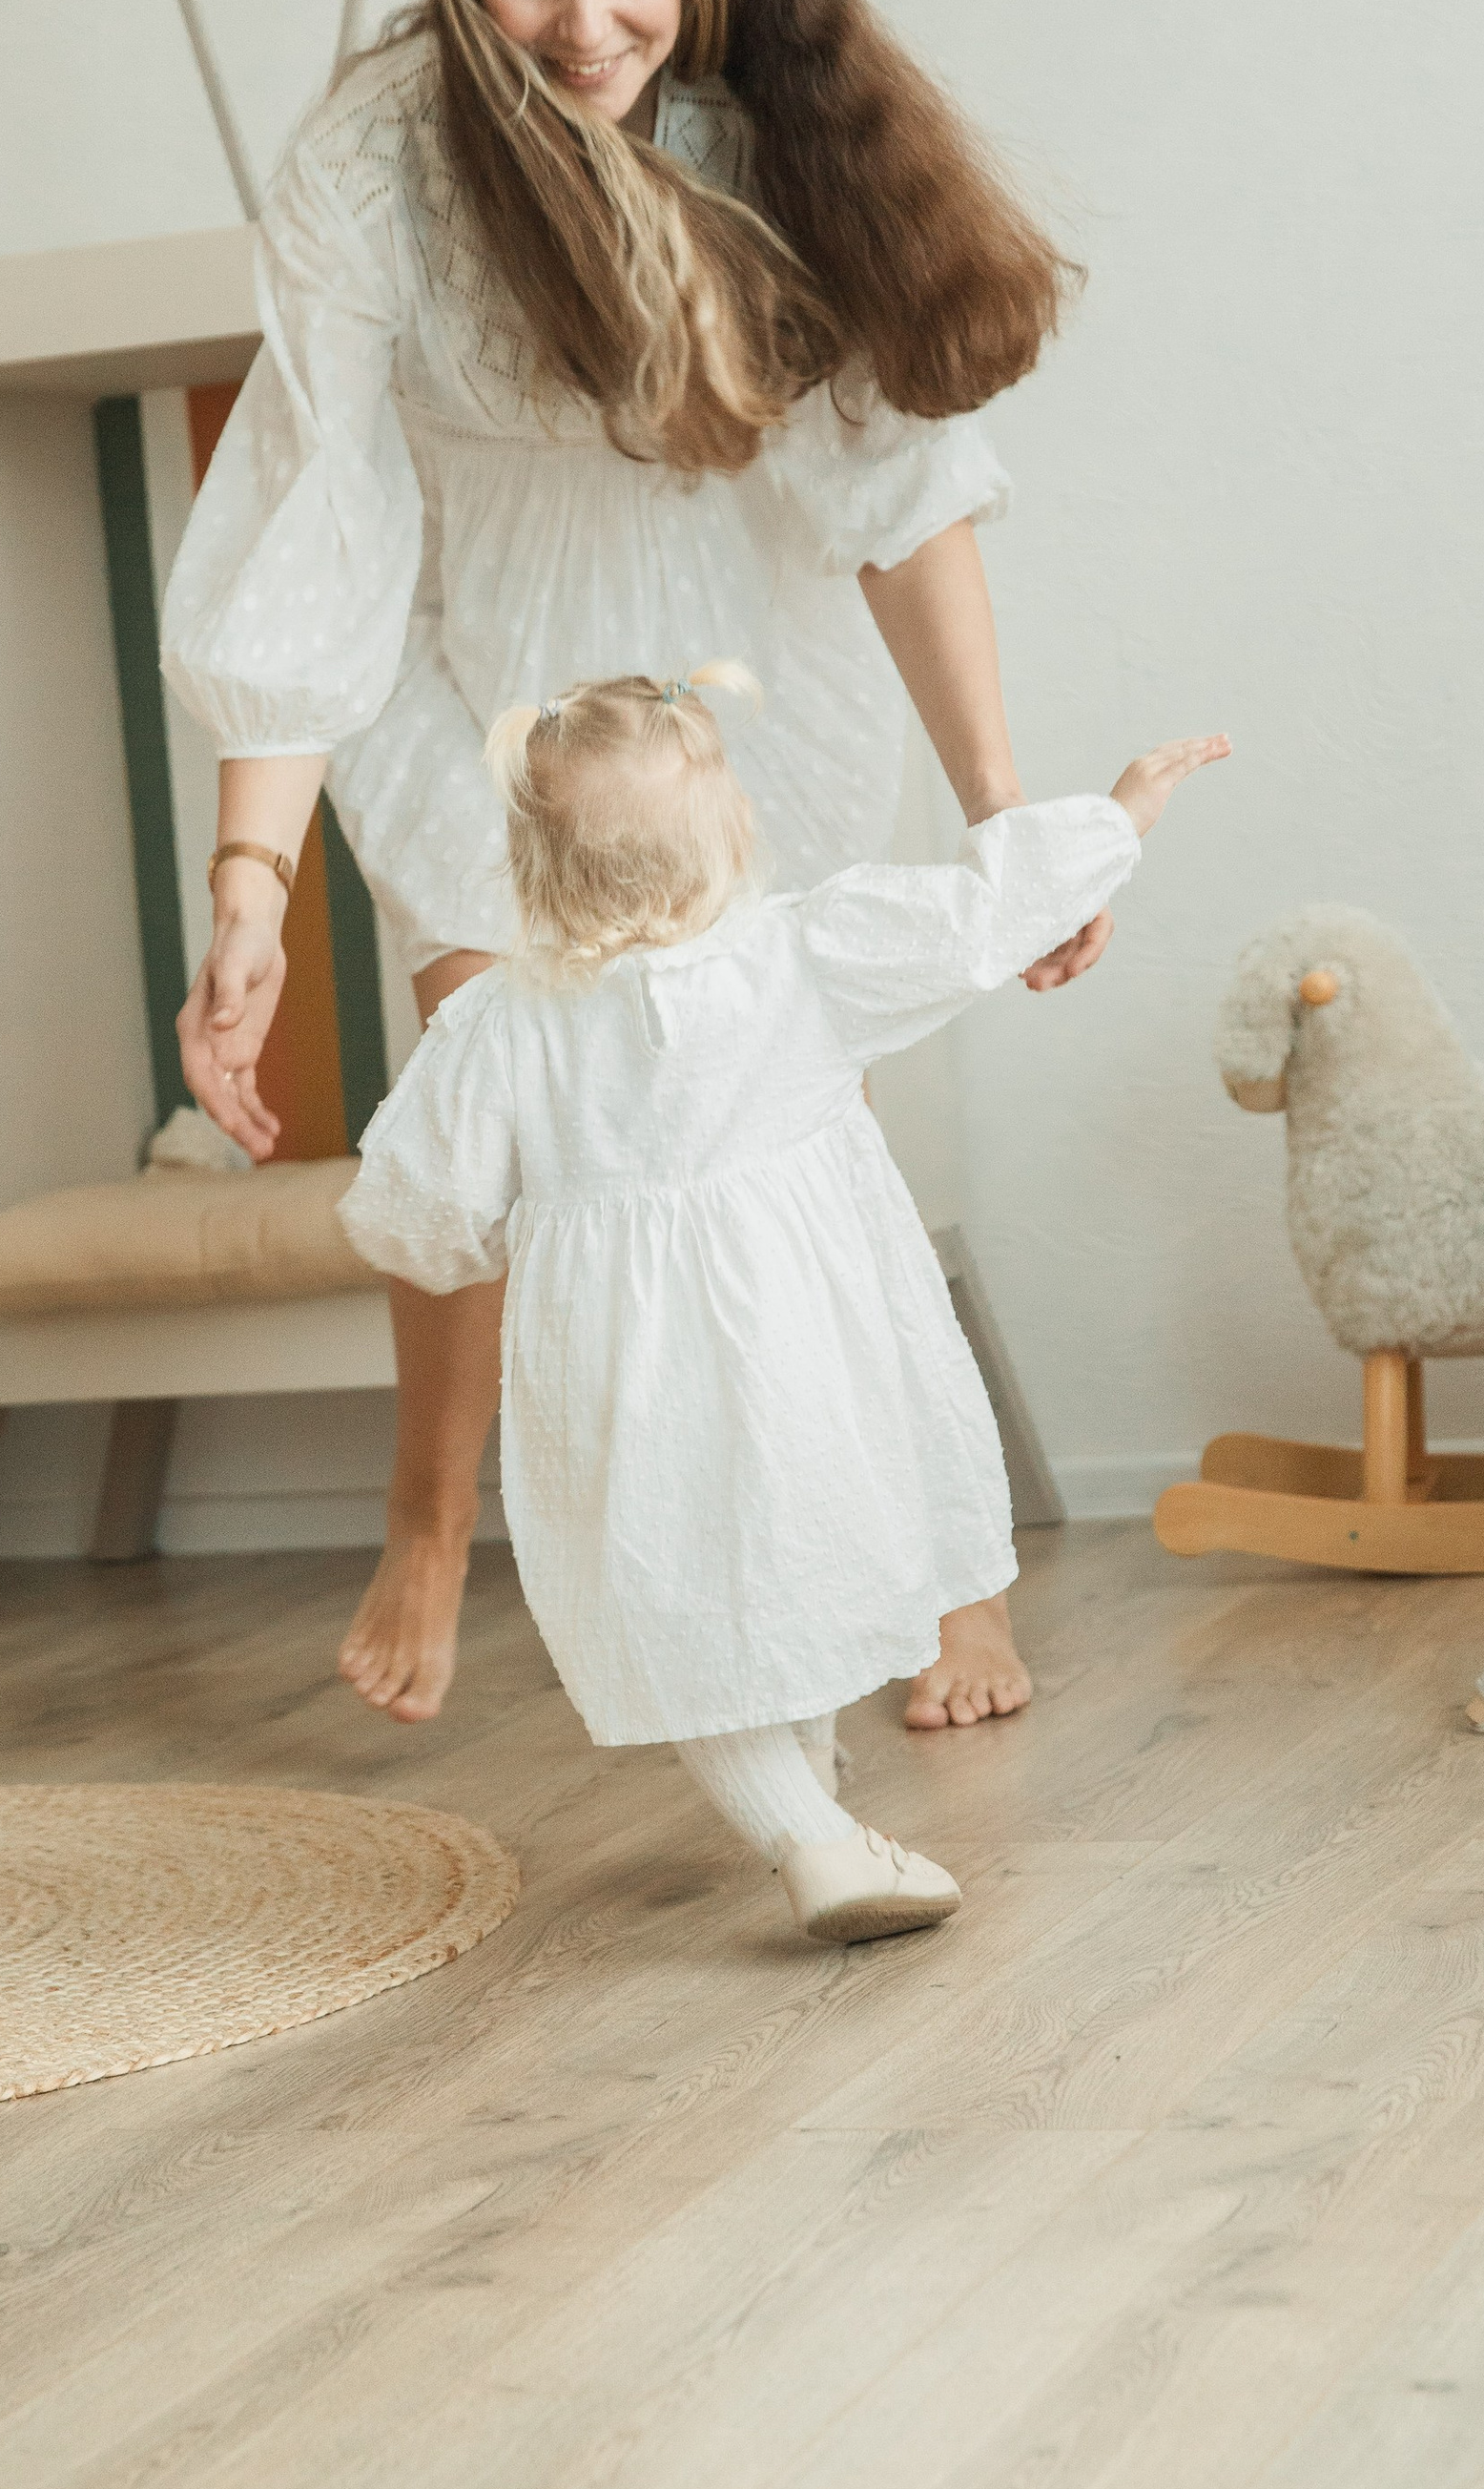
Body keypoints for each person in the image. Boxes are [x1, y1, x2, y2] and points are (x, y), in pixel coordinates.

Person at [163, 0, 1102, 1730]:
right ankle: (430, 1520)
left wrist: (1002, 817)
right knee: (491, 1100)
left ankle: (941, 1577)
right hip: (477, 687)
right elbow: (317, 520)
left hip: (732, 675)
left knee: (797, 1143)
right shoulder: (372, 165)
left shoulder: (769, 133)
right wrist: (249, 878)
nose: (584, 23)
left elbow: (902, 501)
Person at [337, 670, 1227, 1939]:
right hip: (811, 1350)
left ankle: (807, 1799)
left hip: (621, 1380)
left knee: (691, 1596)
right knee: (791, 1561)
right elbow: (985, 913)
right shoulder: (806, 950)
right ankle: (811, 1838)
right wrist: (1121, 814)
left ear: (530, 869)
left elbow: (418, 1214)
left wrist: (501, 1225)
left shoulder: (497, 1025)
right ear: (733, 831)